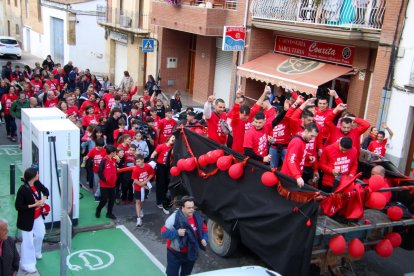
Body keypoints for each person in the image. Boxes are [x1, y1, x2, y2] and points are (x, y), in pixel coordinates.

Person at [161, 196, 208, 276]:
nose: (192, 210)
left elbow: (205, 230)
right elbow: (163, 233)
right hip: (174, 253)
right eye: (189, 208)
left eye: (193, 207)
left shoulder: (197, 217)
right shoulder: (174, 218)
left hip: (191, 252)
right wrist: (177, 232)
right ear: (182, 208)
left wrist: (204, 238)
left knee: (186, 274)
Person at [15, 167, 49, 273]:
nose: (38, 175)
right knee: (28, 242)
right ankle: (27, 264)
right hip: (26, 220)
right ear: (33, 177)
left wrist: (43, 199)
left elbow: (46, 191)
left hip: (37, 216)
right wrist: (34, 205)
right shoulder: (23, 190)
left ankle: (36, 251)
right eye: (37, 174)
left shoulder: (37, 183)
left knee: (40, 234)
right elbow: (18, 206)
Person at [281, 123, 319, 188]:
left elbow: (298, 153)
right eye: (312, 136)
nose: (312, 139)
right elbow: (291, 160)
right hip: (289, 177)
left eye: (314, 137)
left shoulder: (303, 139)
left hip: (294, 175)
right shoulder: (297, 141)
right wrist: (297, 176)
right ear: (306, 131)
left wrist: (308, 157)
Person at [151, 135, 175, 215]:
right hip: (160, 166)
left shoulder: (173, 148)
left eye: (175, 139)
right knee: (160, 184)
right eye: (173, 138)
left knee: (166, 184)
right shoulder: (161, 146)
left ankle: (164, 199)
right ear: (169, 138)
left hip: (168, 167)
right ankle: (159, 201)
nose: (173, 139)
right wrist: (154, 164)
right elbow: (153, 155)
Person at [96, 145, 118, 219]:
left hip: (113, 184)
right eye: (115, 152)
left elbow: (118, 163)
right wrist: (105, 179)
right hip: (104, 185)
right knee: (104, 200)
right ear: (112, 152)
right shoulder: (104, 160)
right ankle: (98, 209)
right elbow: (99, 172)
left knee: (112, 200)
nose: (116, 153)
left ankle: (109, 213)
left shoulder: (114, 159)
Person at [132, 154, 155, 226]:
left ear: (143, 160)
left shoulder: (148, 166)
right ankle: (138, 218)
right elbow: (135, 180)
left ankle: (141, 209)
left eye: (139, 161)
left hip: (145, 185)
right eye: (136, 162)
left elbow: (151, 174)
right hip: (138, 187)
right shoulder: (135, 169)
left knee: (142, 200)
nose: (137, 163)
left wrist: (145, 182)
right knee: (138, 201)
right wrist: (143, 185)